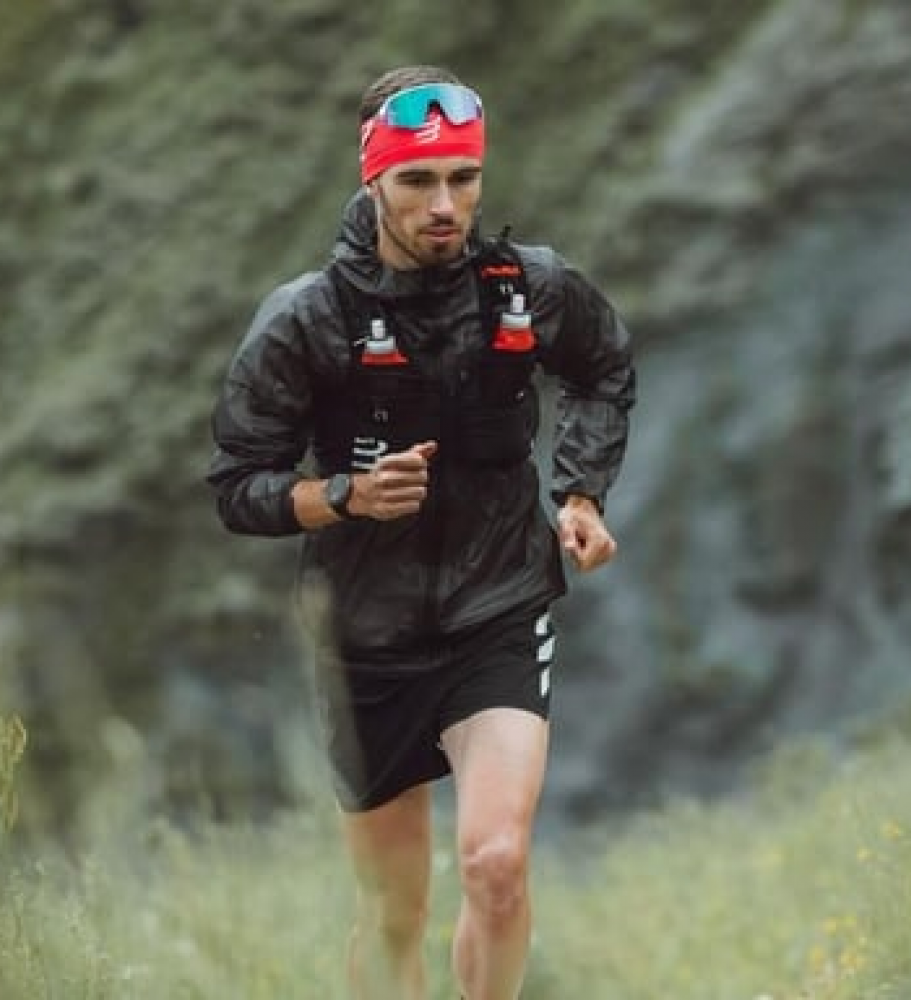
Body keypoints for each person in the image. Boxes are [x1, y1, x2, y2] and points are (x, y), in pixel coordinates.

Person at [207, 64, 635, 1000]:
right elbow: (237, 486)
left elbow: (603, 369)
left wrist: (581, 495)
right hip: (366, 636)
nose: (445, 205)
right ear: (373, 180)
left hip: (500, 606)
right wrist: (345, 496)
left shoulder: (529, 286)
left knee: (495, 864)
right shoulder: (306, 319)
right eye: (418, 180)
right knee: (395, 915)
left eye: (463, 178)